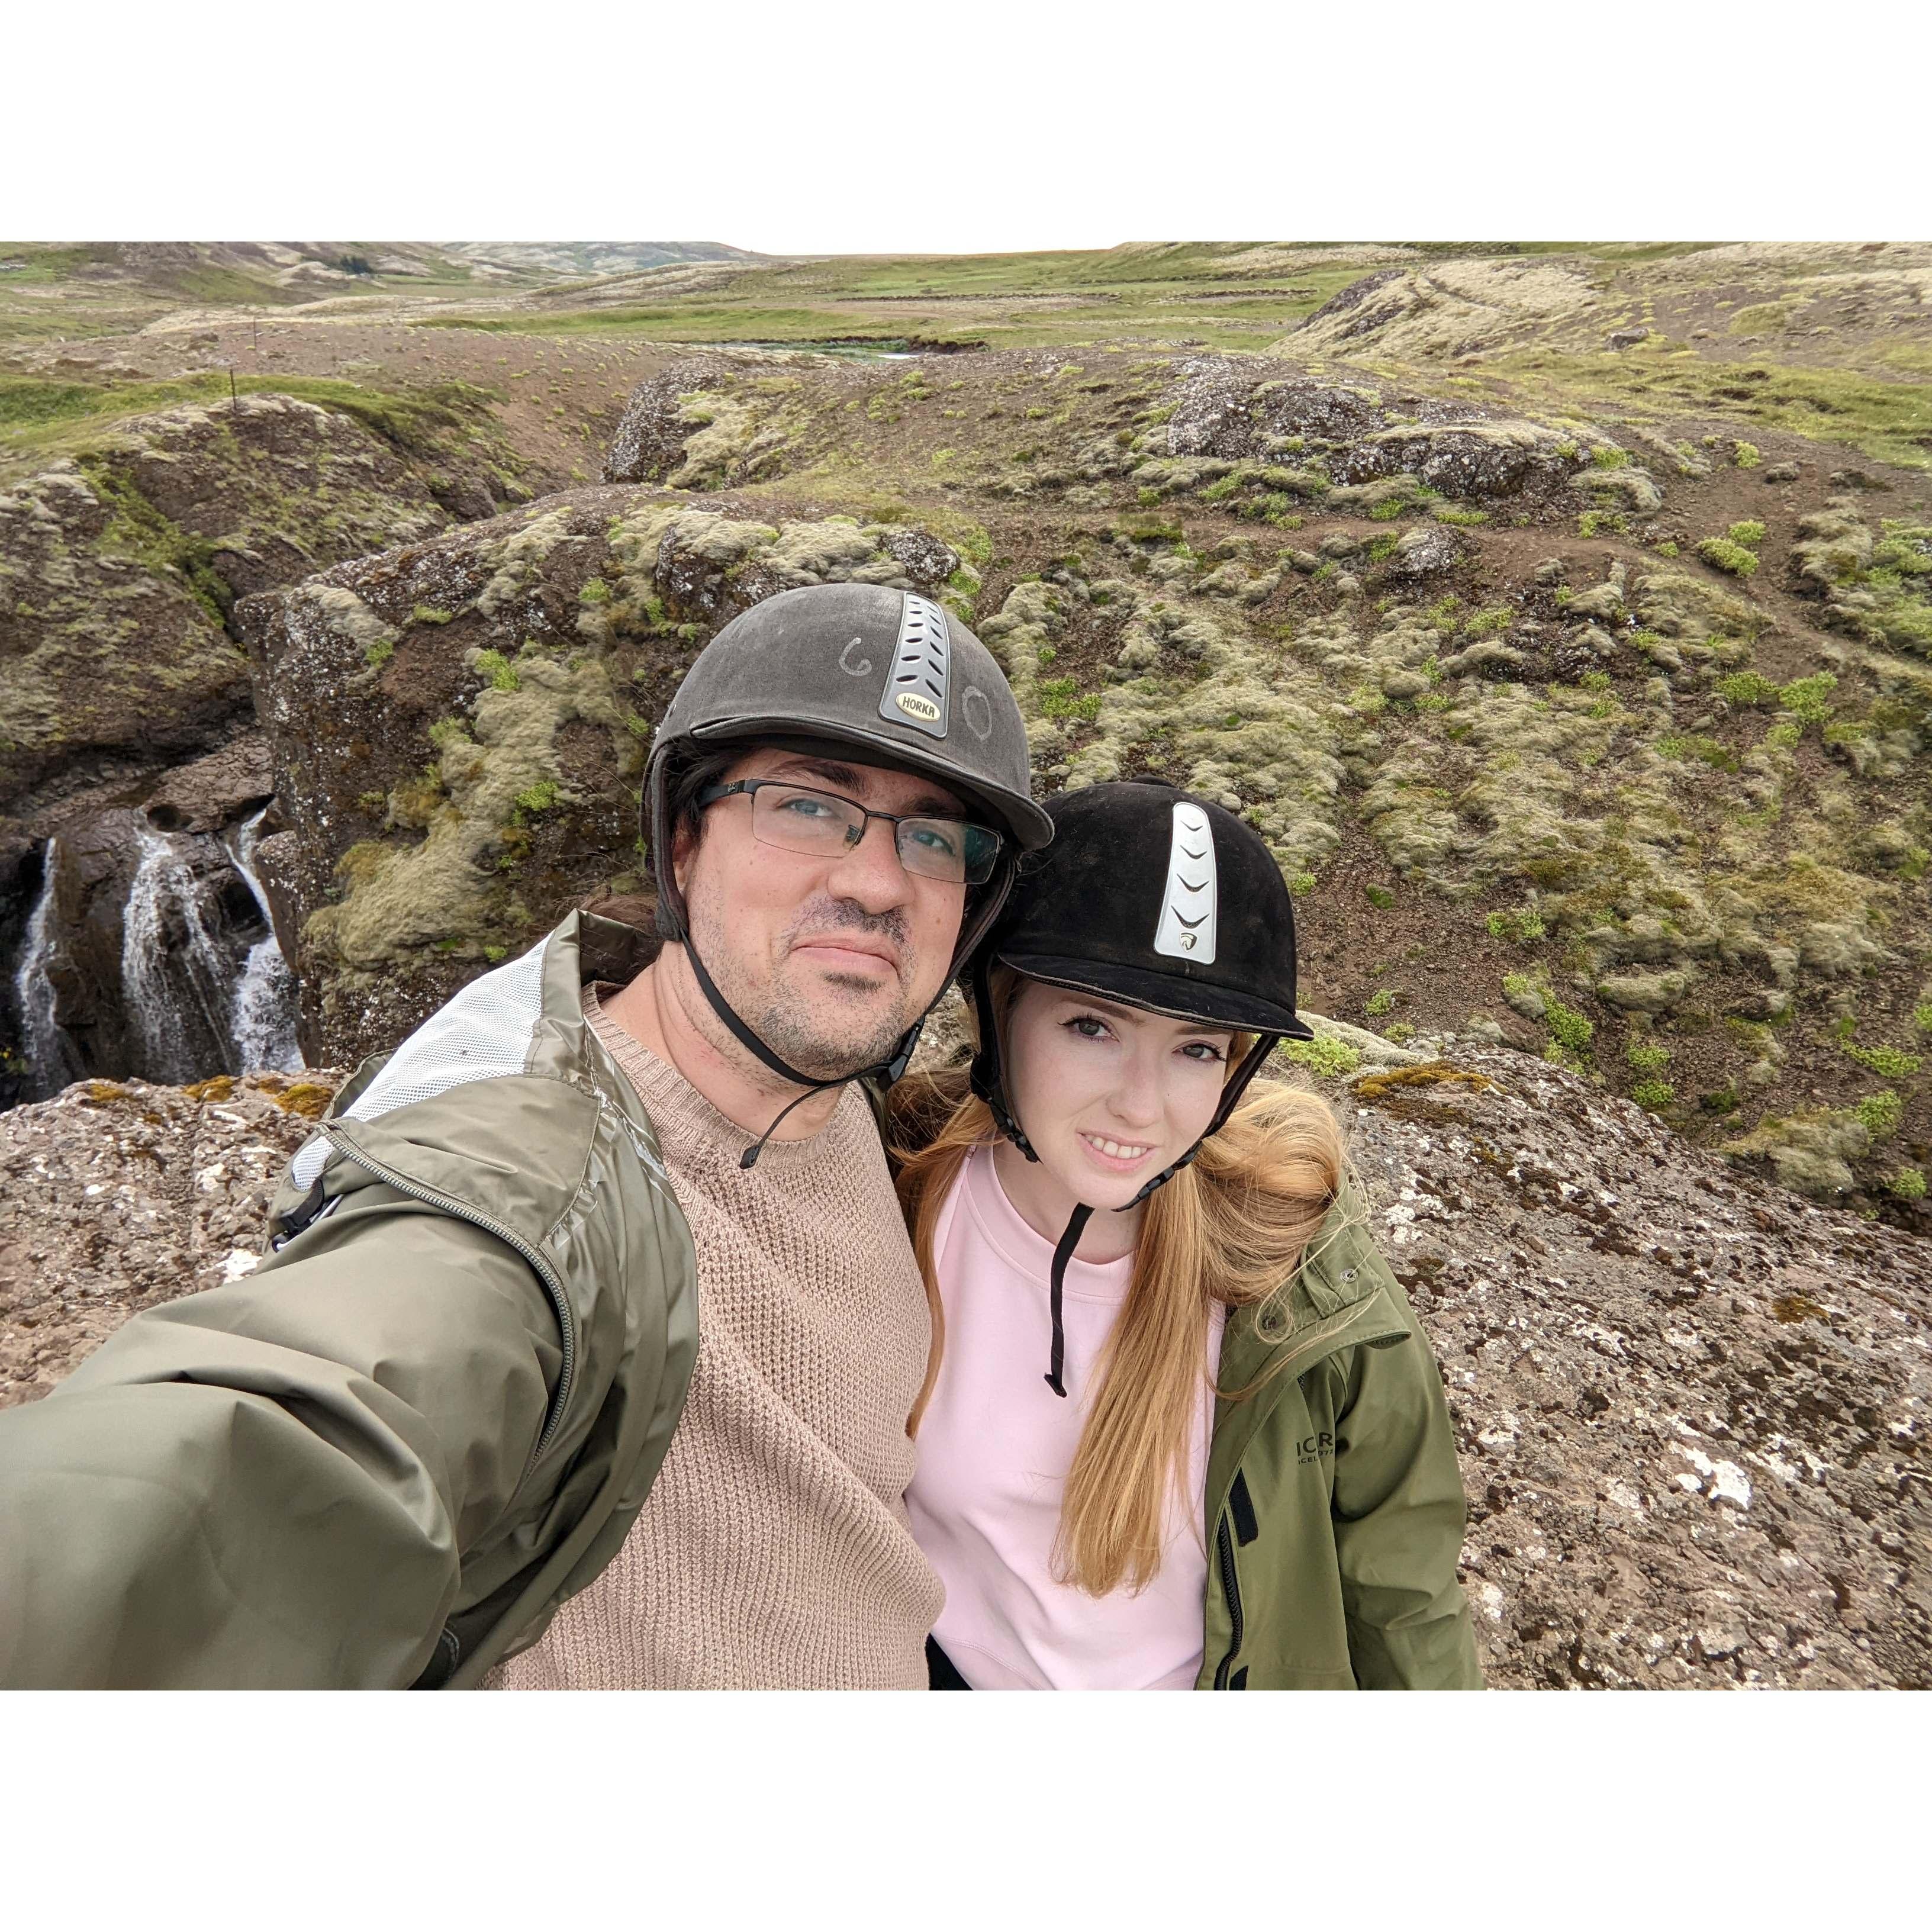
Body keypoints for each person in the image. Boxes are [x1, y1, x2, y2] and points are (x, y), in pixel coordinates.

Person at [0, 582, 1051, 1689]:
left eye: (935, 837)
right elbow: (285, 1435)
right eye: (807, 805)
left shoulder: (859, 1109)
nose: (880, 880)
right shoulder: (527, 1182)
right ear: (684, 843)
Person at [890, 780, 1481, 1690]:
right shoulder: (900, 1193)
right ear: (998, 1012)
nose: (1140, 1104)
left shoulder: (1312, 1296)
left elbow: (1403, 1598)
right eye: (1092, 1026)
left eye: (1197, 1049)